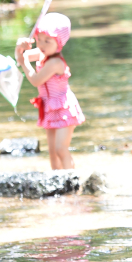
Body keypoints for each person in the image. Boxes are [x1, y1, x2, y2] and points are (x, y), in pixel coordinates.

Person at [16, 13, 86, 170]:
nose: (42, 44)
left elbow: (35, 79)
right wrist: (19, 47)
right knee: (53, 152)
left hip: (63, 107)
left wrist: (23, 63)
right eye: (39, 39)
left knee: (61, 149)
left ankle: (71, 181)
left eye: (47, 41)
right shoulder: (42, 53)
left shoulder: (55, 62)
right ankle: (57, 183)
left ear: (59, 43)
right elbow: (20, 57)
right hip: (49, 107)